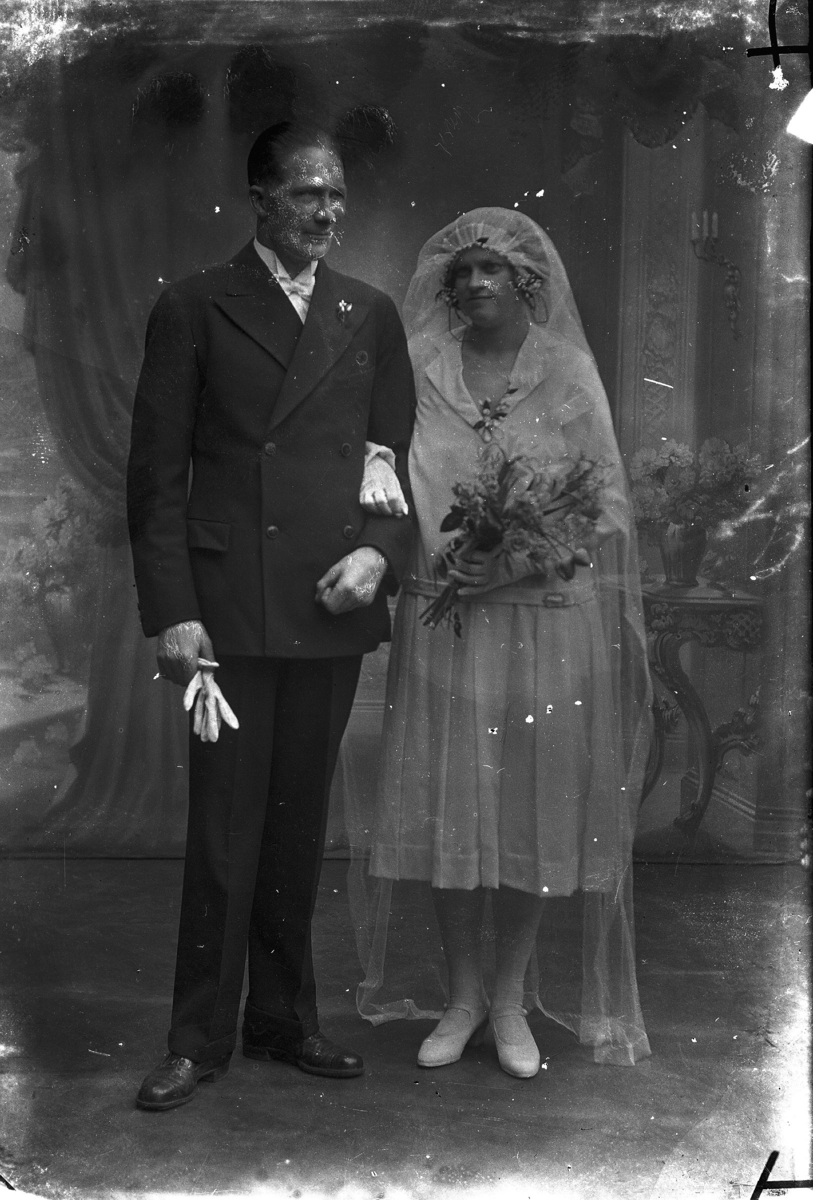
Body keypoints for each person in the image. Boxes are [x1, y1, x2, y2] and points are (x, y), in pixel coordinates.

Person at [126, 121, 415, 1110]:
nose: (327, 212)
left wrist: (378, 556)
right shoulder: (194, 306)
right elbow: (156, 479)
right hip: (230, 608)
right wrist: (172, 612)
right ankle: (197, 1038)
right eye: (306, 194)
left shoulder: (369, 313)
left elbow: (394, 467)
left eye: (336, 195)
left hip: (329, 603)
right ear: (260, 200)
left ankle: (284, 1021)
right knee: (224, 831)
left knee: (298, 825)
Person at [356, 208, 652, 1077]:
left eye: (492, 269)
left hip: (542, 621)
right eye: (463, 272)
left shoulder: (564, 371)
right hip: (448, 620)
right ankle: (461, 998)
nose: (476, 282)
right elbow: (385, 477)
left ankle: (512, 999)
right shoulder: (419, 365)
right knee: (452, 808)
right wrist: (449, 561)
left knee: (527, 809)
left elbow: (604, 506)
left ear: (525, 280)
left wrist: (515, 560)